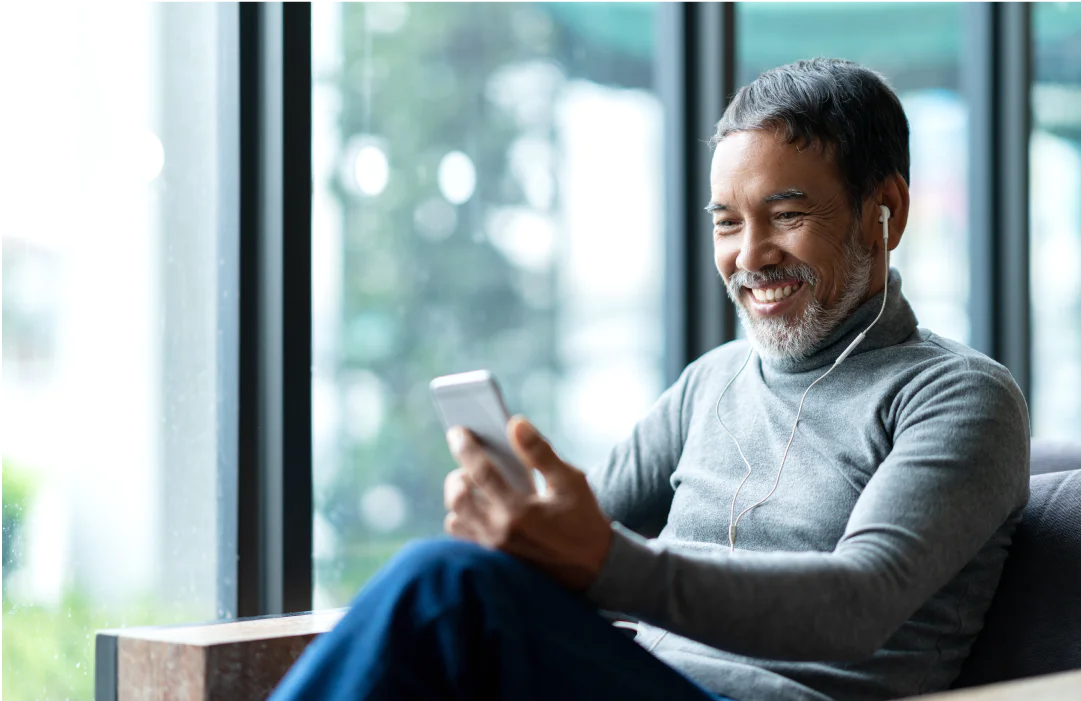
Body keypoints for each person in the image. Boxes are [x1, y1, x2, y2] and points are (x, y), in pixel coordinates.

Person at [270, 58, 1029, 701]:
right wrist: (515, 528)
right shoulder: (712, 382)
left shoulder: (958, 397)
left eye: (785, 215)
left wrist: (604, 561)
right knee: (456, 585)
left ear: (883, 211)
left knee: (441, 584)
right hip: (640, 678)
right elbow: (575, 537)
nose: (749, 255)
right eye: (726, 222)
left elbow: (858, 603)